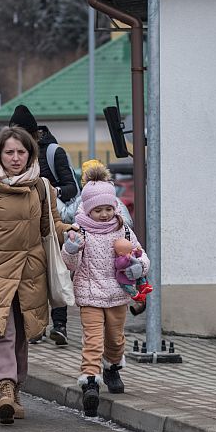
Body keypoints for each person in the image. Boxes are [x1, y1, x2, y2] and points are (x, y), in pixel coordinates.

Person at [0, 126, 68, 424]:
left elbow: (51, 227)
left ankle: (16, 388)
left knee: (21, 333)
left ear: (30, 154)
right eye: (9, 152)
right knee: (1, 331)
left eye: (21, 152)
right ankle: (5, 388)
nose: (15, 158)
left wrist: (70, 232)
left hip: (31, 272)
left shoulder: (42, 188)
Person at [61, 161, 148, 417]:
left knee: (115, 338)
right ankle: (90, 382)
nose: (104, 214)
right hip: (89, 294)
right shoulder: (80, 231)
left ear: (115, 207)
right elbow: (69, 263)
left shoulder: (123, 229)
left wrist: (137, 267)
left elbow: (141, 256)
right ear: (88, 210)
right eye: (98, 210)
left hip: (117, 294)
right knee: (93, 340)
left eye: (109, 208)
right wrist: (72, 248)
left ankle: (112, 367)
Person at [8, 104, 79, 345]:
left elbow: (73, 187)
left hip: (52, 220)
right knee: (32, 280)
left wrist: (50, 190)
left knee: (56, 273)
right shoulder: (11, 155)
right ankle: (35, 327)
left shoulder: (52, 152)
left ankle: (59, 326)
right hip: (23, 228)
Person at [113, 238, 153, 303]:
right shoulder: (119, 259)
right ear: (120, 253)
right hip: (124, 279)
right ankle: (136, 295)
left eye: (131, 250)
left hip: (134, 273)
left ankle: (144, 286)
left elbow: (138, 255)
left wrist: (138, 251)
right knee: (129, 289)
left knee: (141, 277)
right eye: (129, 251)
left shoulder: (130, 253)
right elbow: (119, 265)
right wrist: (126, 258)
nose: (131, 252)